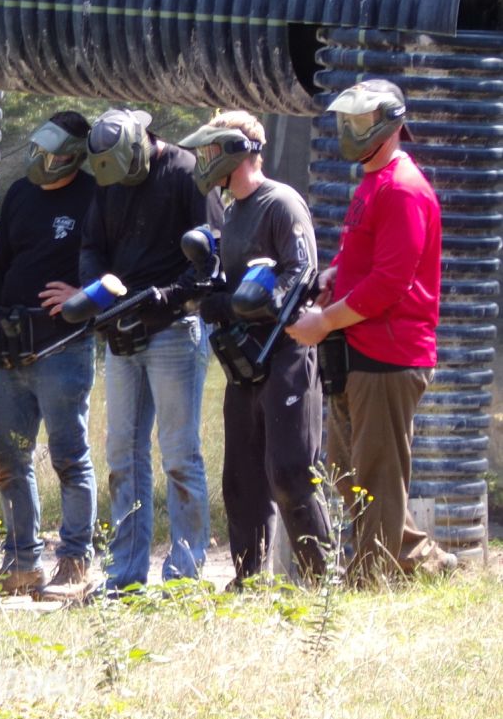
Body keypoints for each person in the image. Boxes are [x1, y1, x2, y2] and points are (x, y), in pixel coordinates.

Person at [287, 79, 457, 584]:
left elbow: (389, 283)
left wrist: (323, 321)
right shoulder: (374, 181)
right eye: (349, 122)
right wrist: (335, 274)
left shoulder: (402, 188)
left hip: (390, 354)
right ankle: (424, 559)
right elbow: (368, 257)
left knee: (377, 478)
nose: (352, 131)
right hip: (360, 349)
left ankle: (371, 581)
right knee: (350, 471)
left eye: (362, 122)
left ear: (392, 125)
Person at [179, 111, 333, 585]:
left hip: (285, 353)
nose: (205, 160)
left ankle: (323, 581)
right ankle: (248, 579)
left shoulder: (281, 203)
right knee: (242, 480)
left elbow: (300, 273)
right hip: (244, 360)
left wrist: (242, 304)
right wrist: (210, 294)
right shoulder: (232, 213)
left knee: (290, 471)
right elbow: (232, 283)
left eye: (212, 150)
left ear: (236, 150)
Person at [76, 107, 220, 593]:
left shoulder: (186, 171)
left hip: (174, 329)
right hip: (122, 331)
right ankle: (124, 575)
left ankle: (183, 577)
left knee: (179, 455)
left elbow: (211, 258)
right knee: (122, 455)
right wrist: (100, 292)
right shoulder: (108, 177)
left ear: (140, 144)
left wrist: (169, 296)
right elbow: (91, 246)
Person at [0, 111, 98, 600]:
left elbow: (114, 265)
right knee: (9, 457)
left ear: (75, 157)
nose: (43, 161)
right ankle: (22, 564)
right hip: (9, 349)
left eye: (54, 155)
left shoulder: (95, 196)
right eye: (39, 151)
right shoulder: (20, 193)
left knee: (69, 457)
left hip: (63, 346)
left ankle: (75, 561)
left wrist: (84, 294)